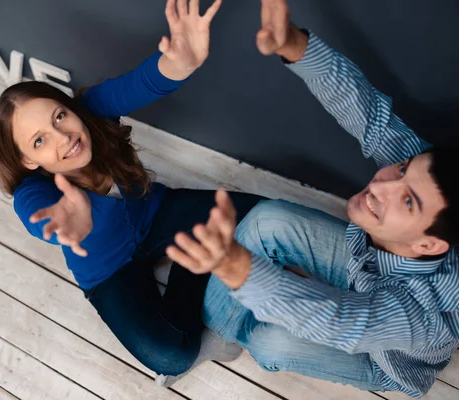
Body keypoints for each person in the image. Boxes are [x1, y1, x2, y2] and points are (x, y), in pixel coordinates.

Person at [168, 0, 459, 397]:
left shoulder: (418, 316)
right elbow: (369, 114)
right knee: (267, 221)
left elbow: (343, 321)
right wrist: (294, 45)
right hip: (367, 266)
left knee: (270, 344)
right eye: (402, 169)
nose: (382, 184)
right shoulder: (427, 178)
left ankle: (245, 320)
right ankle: (219, 332)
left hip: (384, 356)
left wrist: (238, 269)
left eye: (408, 201)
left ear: (427, 244)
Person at [0, 0, 262, 381]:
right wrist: (68, 222)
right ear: (27, 160)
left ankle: (192, 257)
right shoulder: (32, 191)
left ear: (69, 108)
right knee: (172, 358)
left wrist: (180, 63)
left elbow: (143, 82)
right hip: (110, 271)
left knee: (255, 214)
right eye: (39, 141)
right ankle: (200, 272)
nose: (64, 136)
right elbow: (36, 215)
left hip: (155, 214)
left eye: (59, 116)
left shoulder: (92, 111)